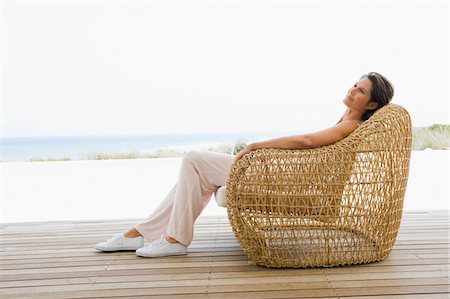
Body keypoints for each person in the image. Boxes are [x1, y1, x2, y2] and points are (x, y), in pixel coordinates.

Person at [94, 72, 394, 257]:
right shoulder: (344, 119)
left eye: (361, 91)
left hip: (288, 180)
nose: (352, 90)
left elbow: (307, 142)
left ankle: (168, 238)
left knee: (194, 159)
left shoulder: (350, 126)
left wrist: (256, 145)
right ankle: (148, 233)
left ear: (371, 105)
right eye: (354, 85)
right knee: (195, 173)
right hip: (286, 173)